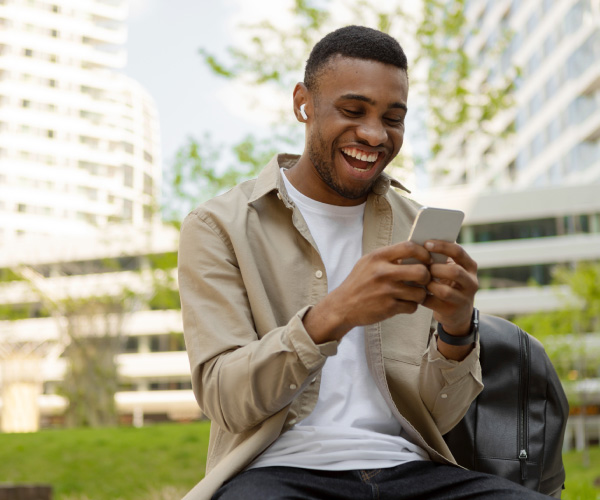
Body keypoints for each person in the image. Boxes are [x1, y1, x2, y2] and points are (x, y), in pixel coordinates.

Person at [178, 25, 551, 500]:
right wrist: (335, 314)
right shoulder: (219, 227)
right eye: (353, 111)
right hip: (277, 472)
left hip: (411, 470)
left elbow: (438, 417)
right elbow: (225, 400)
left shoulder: (417, 225)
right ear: (303, 103)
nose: (374, 135)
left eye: (393, 118)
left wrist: (457, 328)